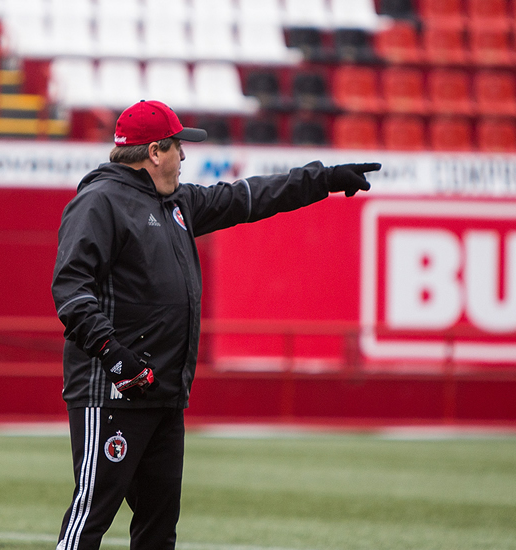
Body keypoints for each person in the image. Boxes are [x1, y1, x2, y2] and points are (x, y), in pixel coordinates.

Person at [51, 99, 379, 550]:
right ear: (155, 152)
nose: (184, 156)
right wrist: (112, 355)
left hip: (163, 393)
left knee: (158, 531)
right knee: (90, 518)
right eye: (178, 146)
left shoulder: (177, 203)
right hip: (112, 391)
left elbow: (247, 197)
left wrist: (323, 180)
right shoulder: (99, 202)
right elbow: (70, 288)